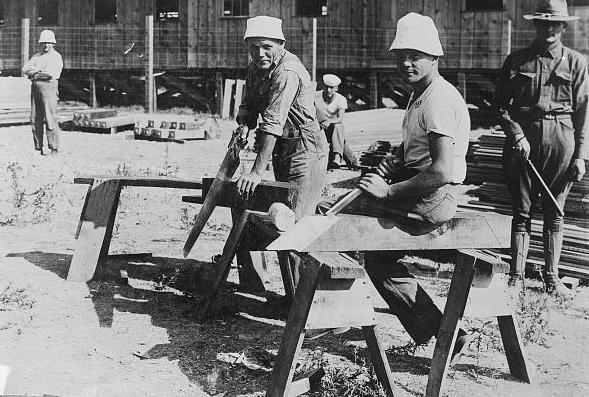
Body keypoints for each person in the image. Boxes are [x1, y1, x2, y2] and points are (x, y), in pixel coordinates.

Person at [319, 12, 471, 360]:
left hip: (431, 198)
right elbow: (416, 149)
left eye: (415, 55)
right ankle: (444, 332)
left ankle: (326, 314)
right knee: (379, 259)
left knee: (332, 214)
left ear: (434, 56)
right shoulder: (422, 94)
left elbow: (442, 171)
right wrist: (394, 162)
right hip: (422, 191)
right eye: (400, 55)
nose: (406, 62)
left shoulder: (438, 100)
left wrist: (386, 192)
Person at [496, 0, 588, 296]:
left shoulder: (576, 63)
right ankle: (516, 278)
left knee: (555, 211)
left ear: (563, 27)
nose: (549, 28)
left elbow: (584, 114)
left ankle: (552, 277)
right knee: (522, 211)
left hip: (562, 142)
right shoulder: (516, 61)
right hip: (523, 143)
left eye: (555, 23)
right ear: (535, 25)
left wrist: (581, 156)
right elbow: (500, 108)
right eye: (543, 23)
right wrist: (516, 134)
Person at [235, 16, 329, 298]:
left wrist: (256, 171)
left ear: (281, 44)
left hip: (305, 148)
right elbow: (249, 104)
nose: (260, 53)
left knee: (297, 226)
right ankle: (293, 300)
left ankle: (309, 311)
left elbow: (273, 122)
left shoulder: (287, 71)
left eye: (266, 47)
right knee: (281, 221)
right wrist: (243, 123)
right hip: (283, 147)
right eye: (253, 48)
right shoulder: (256, 67)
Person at [22, 29, 63, 155]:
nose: (46, 45)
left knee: (50, 118)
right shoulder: (36, 56)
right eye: (44, 42)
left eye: (49, 43)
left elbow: (50, 74)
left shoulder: (56, 57)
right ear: (40, 43)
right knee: (35, 118)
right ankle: (38, 147)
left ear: (53, 44)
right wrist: (39, 71)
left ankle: (53, 148)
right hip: (35, 89)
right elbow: (25, 69)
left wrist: (35, 73)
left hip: (48, 88)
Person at [315, 74, 358, 169]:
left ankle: (337, 156)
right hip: (318, 127)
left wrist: (329, 121)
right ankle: (351, 161)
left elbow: (340, 119)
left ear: (336, 88)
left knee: (339, 126)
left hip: (332, 129)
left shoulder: (341, 99)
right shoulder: (315, 96)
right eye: (326, 87)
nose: (328, 90)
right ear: (323, 86)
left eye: (331, 88)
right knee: (340, 139)